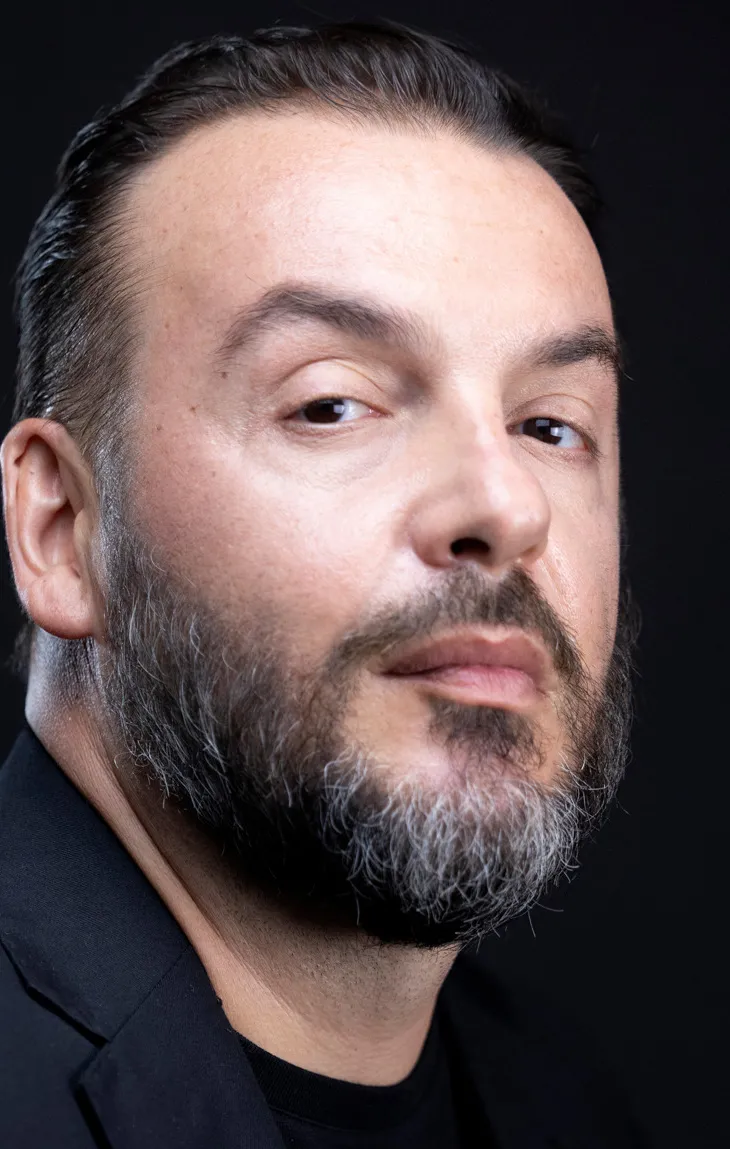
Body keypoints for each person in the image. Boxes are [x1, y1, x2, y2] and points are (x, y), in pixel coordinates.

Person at [0, 20, 643, 1148]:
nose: (507, 507)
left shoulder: (569, 1103)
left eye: (550, 425)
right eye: (331, 404)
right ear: (61, 528)